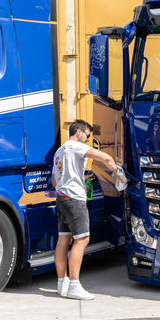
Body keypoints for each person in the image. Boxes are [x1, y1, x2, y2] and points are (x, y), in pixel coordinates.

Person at [51, 119, 121, 300]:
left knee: (63, 240)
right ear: (79, 132)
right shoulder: (75, 146)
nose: (88, 140)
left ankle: (62, 283)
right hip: (75, 200)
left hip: (62, 199)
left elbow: (54, 181)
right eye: (88, 135)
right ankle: (74, 285)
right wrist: (118, 175)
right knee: (82, 239)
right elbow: (105, 158)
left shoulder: (59, 151)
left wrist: (79, 177)